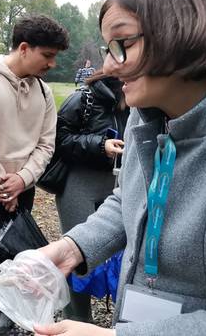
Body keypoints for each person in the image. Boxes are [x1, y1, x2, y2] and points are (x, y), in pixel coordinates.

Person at [34, 0, 206, 336]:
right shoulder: (146, 117)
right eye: (106, 48)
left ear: (185, 32)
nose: (109, 66)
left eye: (122, 44)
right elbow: (130, 199)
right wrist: (70, 249)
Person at [0, 15, 69, 336]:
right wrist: (4, 184)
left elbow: (47, 145)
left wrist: (22, 181)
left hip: (24, 189)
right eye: (47, 55)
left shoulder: (45, 93)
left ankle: (11, 326)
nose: (52, 63)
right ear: (23, 48)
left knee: (19, 262)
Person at [53, 72, 129, 322]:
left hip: (119, 181)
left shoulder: (141, 101)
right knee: (77, 253)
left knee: (123, 254)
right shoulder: (82, 99)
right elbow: (59, 139)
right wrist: (100, 145)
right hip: (79, 183)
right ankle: (76, 320)